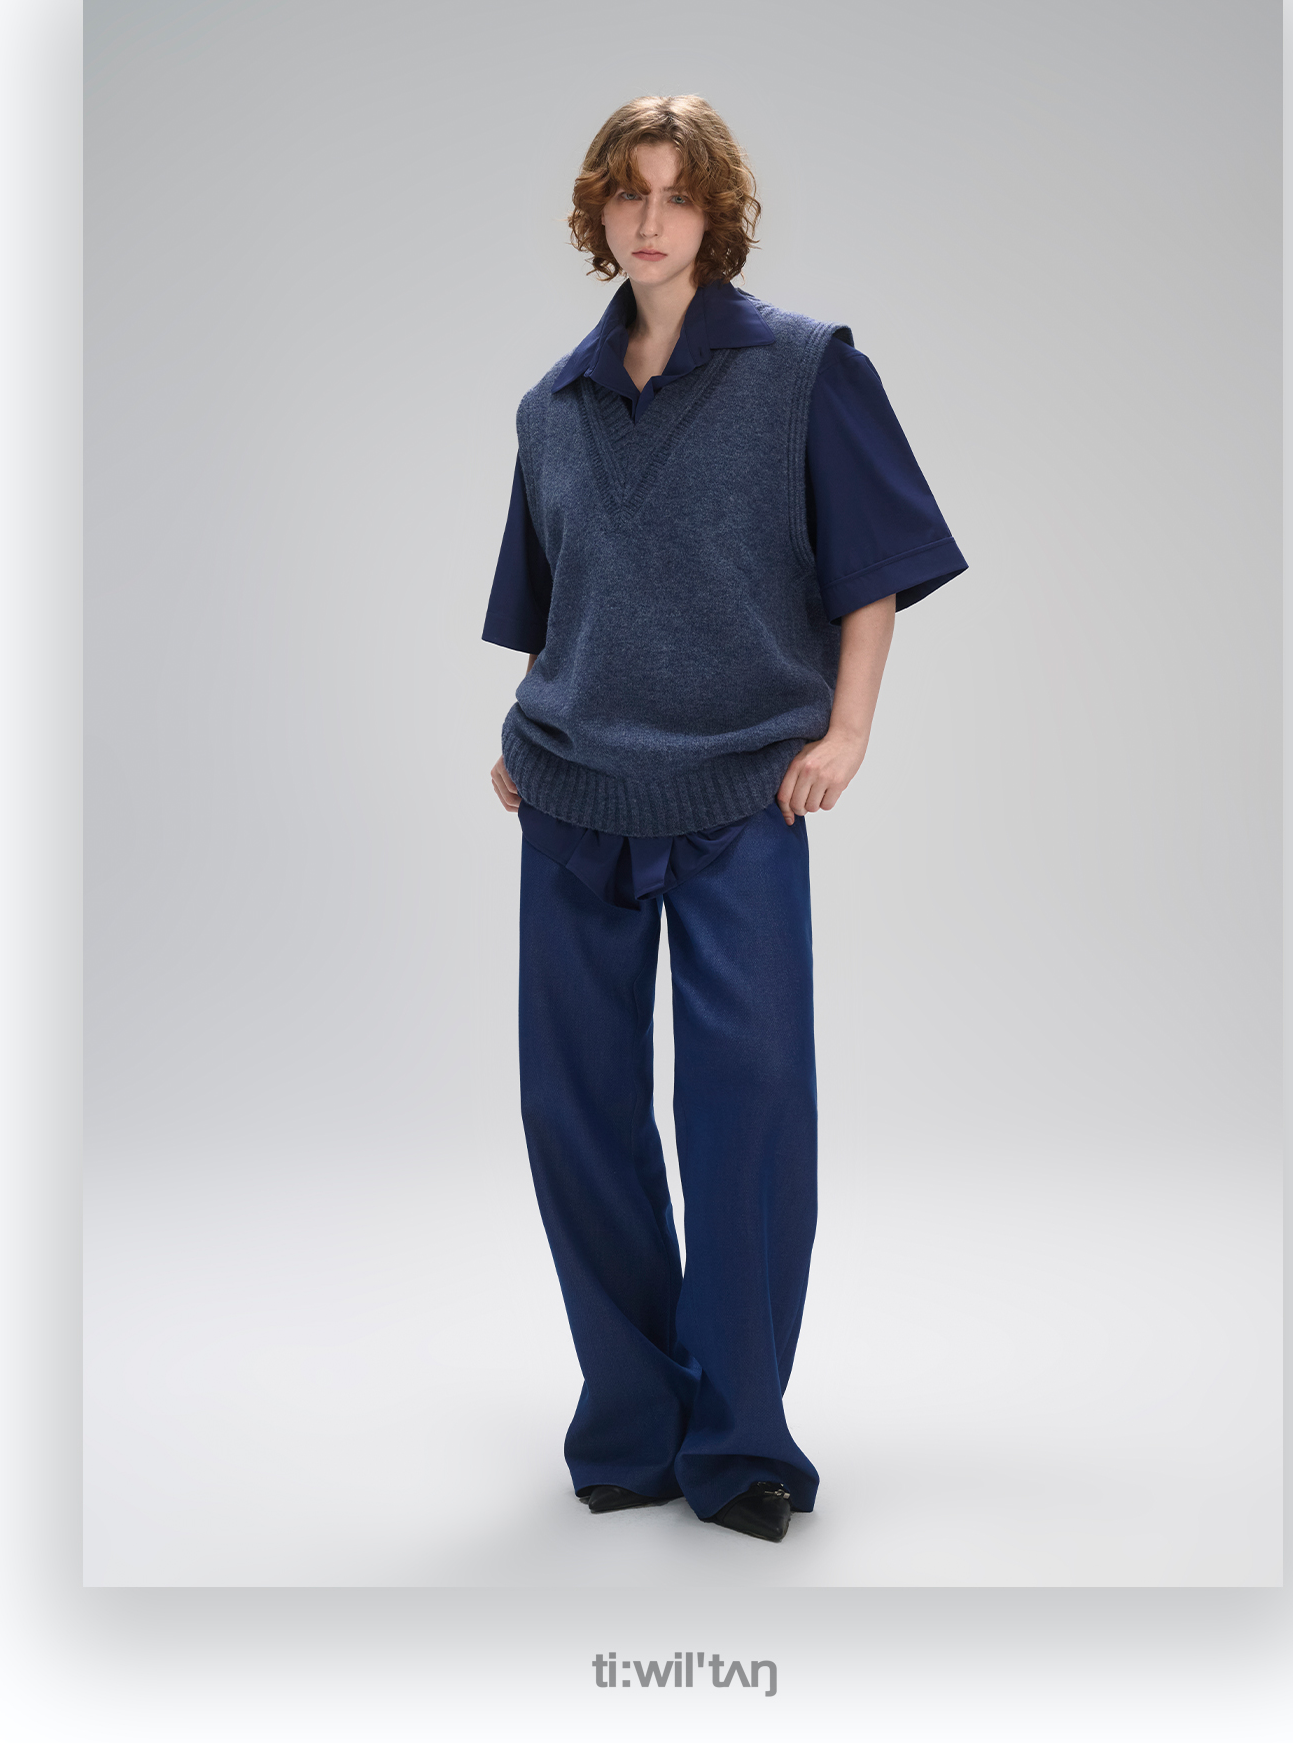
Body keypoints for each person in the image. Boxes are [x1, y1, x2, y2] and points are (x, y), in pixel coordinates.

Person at [482, 96, 966, 1543]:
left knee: (746, 1112)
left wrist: (848, 730)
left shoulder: (804, 368)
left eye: (677, 195)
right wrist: (520, 738)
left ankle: (742, 1438)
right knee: (576, 1115)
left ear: (716, 214)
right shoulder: (553, 408)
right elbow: (556, 611)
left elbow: (871, 572)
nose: (650, 220)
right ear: (596, 212)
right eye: (627, 194)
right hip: (571, 795)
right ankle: (634, 1419)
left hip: (740, 791)